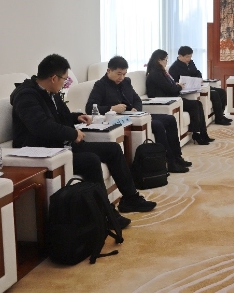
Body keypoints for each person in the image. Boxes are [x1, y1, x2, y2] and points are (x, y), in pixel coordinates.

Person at [10, 54, 156, 228]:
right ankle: (105, 213)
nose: (65, 83)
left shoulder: (51, 92)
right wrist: (72, 134)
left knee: (113, 149)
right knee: (90, 160)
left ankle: (130, 198)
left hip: (61, 145)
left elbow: (60, 116)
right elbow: (40, 126)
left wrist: (77, 117)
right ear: (54, 78)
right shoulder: (26, 96)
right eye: (64, 79)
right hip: (45, 151)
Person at [86, 56, 191, 173]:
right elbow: (90, 108)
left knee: (170, 119)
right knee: (158, 125)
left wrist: (136, 109)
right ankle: (169, 162)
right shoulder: (100, 85)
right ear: (109, 71)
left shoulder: (126, 82)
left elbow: (137, 99)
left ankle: (177, 157)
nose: (121, 77)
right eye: (119, 74)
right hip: (121, 120)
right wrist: (112, 108)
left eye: (124, 74)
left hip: (136, 116)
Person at [145, 49, 213, 145]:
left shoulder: (161, 71)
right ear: (159, 60)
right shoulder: (155, 73)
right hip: (167, 100)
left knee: (197, 104)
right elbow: (170, 89)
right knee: (194, 105)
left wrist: (176, 85)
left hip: (173, 98)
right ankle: (196, 134)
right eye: (165, 60)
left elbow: (170, 85)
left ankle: (203, 133)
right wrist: (179, 86)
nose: (166, 62)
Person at [169, 46, 232, 125]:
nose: (189, 59)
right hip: (187, 89)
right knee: (214, 93)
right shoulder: (173, 68)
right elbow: (175, 83)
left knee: (222, 91)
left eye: (190, 56)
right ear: (180, 56)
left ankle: (221, 115)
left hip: (197, 85)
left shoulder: (190, 63)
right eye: (187, 57)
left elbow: (197, 72)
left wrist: (199, 78)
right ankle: (219, 119)